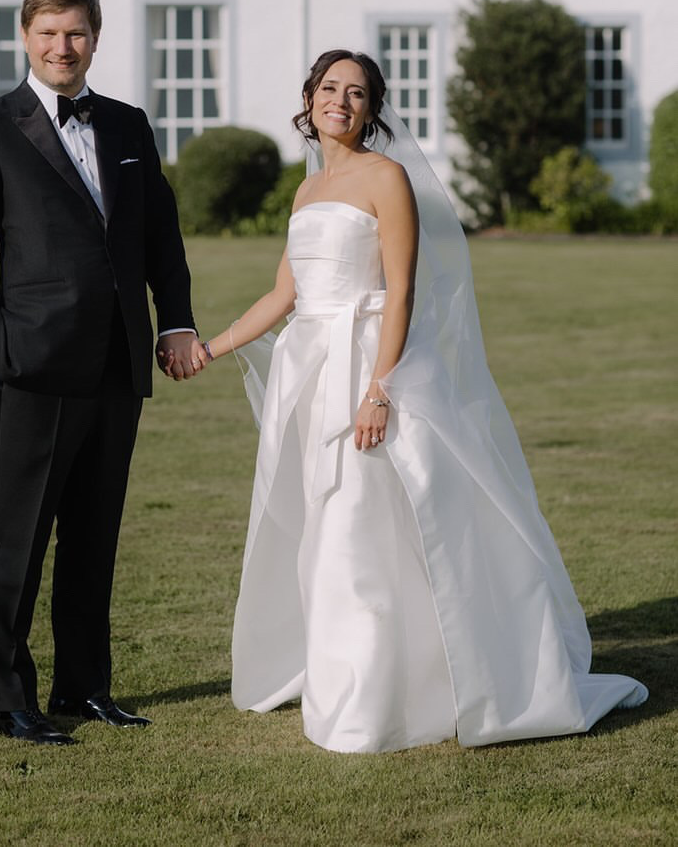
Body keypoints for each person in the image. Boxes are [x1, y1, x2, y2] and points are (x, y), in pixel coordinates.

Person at [185, 49, 648, 753]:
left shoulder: (386, 177)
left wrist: (380, 390)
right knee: (324, 524)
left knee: (364, 524)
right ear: (309, 98)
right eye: (331, 88)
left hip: (367, 368)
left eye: (359, 92)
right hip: (312, 373)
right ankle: (359, 675)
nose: (342, 100)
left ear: (373, 110)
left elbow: (399, 288)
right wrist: (208, 348)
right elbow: (286, 295)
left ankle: (379, 699)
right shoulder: (308, 191)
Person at [0, 0, 199, 746]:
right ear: (26, 37)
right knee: (14, 539)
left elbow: (161, 238)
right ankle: (8, 700)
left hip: (118, 365)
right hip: (34, 366)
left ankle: (86, 686)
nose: (64, 46)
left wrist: (175, 322)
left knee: (94, 536)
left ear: (95, 38)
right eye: (50, 32)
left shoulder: (128, 125)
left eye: (77, 32)